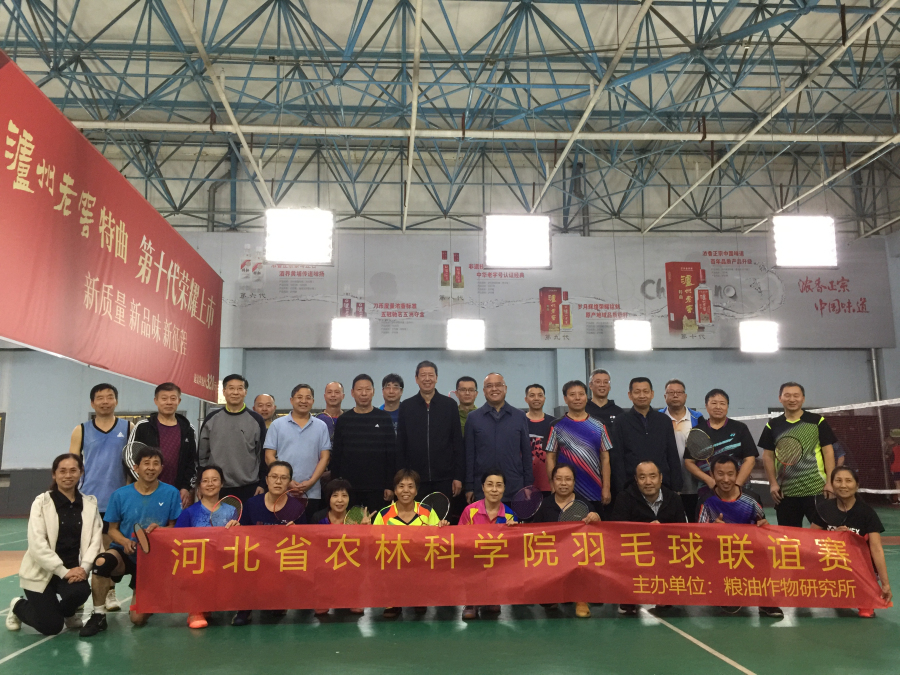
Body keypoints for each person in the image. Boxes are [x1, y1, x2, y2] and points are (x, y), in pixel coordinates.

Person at [79, 446, 182, 636]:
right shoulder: (120, 495)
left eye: (156, 464)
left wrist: (160, 531)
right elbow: (112, 529)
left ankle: (149, 598)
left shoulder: (171, 493)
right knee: (101, 563)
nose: (151, 468)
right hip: (125, 552)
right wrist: (125, 542)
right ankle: (98, 615)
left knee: (137, 620)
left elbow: (175, 527)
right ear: (136, 467)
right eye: (146, 463)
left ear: (161, 468)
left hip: (154, 559)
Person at [6, 454, 103, 636]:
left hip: (74, 571)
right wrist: (63, 571)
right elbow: (37, 544)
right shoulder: (41, 503)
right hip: (41, 571)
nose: (68, 475)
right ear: (54, 474)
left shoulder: (90, 504)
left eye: (73, 470)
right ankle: (18, 606)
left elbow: (95, 541)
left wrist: (84, 568)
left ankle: (67, 613)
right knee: (51, 627)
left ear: (81, 472)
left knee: (80, 592)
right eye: (62, 471)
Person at [68, 383, 132, 612]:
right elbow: (72, 464)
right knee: (85, 549)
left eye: (109, 397)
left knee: (109, 550)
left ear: (116, 401)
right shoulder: (81, 430)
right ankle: (78, 594)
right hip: (88, 500)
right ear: (92, 403)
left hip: (116, 500)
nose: (105, 401)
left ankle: (110, 592)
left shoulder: (129, 427)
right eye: (100, 398)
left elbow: (133, 464)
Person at [697, 456, 779, 617]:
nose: (726, 479)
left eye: (730, 474)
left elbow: (762, 523)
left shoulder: (752, 499)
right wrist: (712, 530)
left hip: (746, 550)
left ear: (737, 474)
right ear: (712, 475)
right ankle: (723, 591)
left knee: (762, 554)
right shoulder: (706, 502)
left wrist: (764, 526)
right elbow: (698, 537)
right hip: (720, 552)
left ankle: (766, 601)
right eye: (720, 474)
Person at [811, 467, 892, 617]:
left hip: (860, 568)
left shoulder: (867, 513)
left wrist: (885, 584)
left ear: (857, 485)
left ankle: (864, 594)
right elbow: (810, 540)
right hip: (831, 564)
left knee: (866, 612)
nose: (843, 485)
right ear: (832, 484)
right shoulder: (824, 509)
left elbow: (876, 549)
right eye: (838, 480)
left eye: (848, 481)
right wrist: (832, 537)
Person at [611, 460, 686, 616]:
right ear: (636, 479)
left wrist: (662, 531)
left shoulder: (674, 499)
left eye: (652, 476)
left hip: (665, 551)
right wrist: (645, 530)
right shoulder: (624, 498)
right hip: (635, 551)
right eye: (642, 477)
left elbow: (682, 532)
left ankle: (665, 591)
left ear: (660, 478)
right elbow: (617, 533)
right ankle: (628, 597)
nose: (648, 482)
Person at [758, 382, 836, 528]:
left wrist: (830, 482)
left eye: (796, 395)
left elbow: (828, 451)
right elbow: (767, 456)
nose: (792, 399)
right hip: (785, 492)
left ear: (803, 399)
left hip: (817, 489)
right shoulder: (772, 425)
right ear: (780, 398)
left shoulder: (817, 421)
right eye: (787, 395)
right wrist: (773, 484)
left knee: (822, 534)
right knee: (788, 537)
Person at [174, 465, 240, 629]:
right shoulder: (189, 513)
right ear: (199, 485)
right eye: (205, 481)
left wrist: (238, 530)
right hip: (197, 566)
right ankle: (195, 610)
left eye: (214, 480)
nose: (210, 484)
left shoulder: (232, 511)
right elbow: (176, 541)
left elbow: (240, 543)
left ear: (222, 483)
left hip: (225, 564)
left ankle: (210, 603)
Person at [232, 461, 298, 626]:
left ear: (290, 482)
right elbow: (241, 532)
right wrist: (234, 527)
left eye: (283, 478)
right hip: (255, 559)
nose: (278, 481)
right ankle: (245, 608)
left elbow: (304, 543)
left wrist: (297, 532)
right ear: (267, 480)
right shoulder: (252, 504)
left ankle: (278, 600)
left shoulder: (296, 507)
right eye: (274, 477)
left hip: (281, 561)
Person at [374, 469, 446, 619]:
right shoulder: (384, 514)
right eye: (401, 486)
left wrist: (442, 528)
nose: (405, 490)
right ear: (395, 490)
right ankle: (392, 601)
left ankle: (418, 596)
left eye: (410, 486)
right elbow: (375, 544)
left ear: (416, 491)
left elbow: (436, 541)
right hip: (393, 563)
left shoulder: (427, 512)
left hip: (420, 563)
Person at [531, 463, 599, 618]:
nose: (563, 483)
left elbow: (599, 534)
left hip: (577, 558)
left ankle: (581, 599)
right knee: (547, 603)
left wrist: (597, 518)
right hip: (552, 558)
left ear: (574, 482)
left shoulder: (584, 505)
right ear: (552, 481)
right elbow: (533, 532)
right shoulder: (544, 505)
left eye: (568, 479)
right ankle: (554, 594)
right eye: (559, 479)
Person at [396, 361, 464, 500]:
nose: (427, 379)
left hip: (445, 478)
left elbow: (457, 442)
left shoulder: (449, 405)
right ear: (416, 379)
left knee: (444, 514)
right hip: (415, 479)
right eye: (423, 375)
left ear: (436, 378)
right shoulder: (407, 407)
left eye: (431, 375)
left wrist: (458, 477)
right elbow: (401, 444)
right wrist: (402, 477)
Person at [330, 375, 396, 514]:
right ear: (352, 393)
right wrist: (336, 487)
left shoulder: (384, 418)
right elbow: (336, 456)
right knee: (350, 524)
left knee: (376, 525)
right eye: (360, 389)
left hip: (378, 488)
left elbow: (391, 455)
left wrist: (390, 485)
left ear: (373, 392)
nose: (364, 393)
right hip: (349, 489)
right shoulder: (344, 420)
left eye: (367, 389)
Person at [198, 374, 267, 503]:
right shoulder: (211, 419)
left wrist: (262, 483)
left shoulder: (256, 420)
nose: (235, 392)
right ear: (224, 391)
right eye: (231, 388)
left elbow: (262, 455)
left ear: (245, 392)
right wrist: (200, 483)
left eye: (240, 388)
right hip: (217, 487)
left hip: (249, 487)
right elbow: (202, 456)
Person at [459, 470, 518, 620]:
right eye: (490, 485)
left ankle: (493, 596)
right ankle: (471, 601)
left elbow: (513, 549)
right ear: (483, 487)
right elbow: (459, 538)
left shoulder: (510, 515)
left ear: (504, 489)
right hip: (473, 559)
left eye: (499, 485)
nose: (494, 489)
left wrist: (514, 530)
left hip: (496, 561)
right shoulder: (470, 511)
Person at [683, 389, 757, 509]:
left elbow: (750, 459)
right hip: (708, 490)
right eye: (714, 403)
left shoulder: (740, 428)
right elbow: (689, 462)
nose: (718, 407)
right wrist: (709, 480)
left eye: (722, 403)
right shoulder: (697, 431)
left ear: (727, 406)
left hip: (739, 490)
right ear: (706, 406)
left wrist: (736, 485)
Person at [264, 384, 331, 515]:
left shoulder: (321, 426)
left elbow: (325, 457)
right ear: (291, 400)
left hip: (311, 492)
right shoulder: (277, 425)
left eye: (308, 398)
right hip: (281, 490)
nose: (304, 401)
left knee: (308, 527)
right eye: (299, 397)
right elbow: (269, 456)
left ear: (313, 401)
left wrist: (311, 482)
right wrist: (287, 481)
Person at [464, 373, 532, 502]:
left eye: (498, 385)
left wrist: (528, 484)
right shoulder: (473, 418)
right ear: (484, 391)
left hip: (514, 486)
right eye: (489, 386)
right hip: (483, 488)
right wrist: (469, 486)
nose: (494, 389)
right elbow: (469, 455)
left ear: (505, 388)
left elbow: (526, 453)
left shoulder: (519, 416)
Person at [545, 380, 612, 512]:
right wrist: (553, 486)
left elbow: (605, 458)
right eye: (572, 394)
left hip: (594, 490)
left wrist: (606, 487)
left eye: (581, 394)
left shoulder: (599, 425)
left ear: (586, 397)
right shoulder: (556, 426)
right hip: (565, 492)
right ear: (565, 399)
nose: (577, 398)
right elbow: (550, 458)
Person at [610, 377, 682, 494]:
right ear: (630, 395)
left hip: (662, 485)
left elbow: (672, 454)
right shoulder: (621, 421)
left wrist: (676, 486)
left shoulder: (664, 420)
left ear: (652, 394)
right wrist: (621, 489)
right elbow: (617, 458)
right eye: (637, 392)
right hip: (631, 486)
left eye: (646, 391)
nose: (642, 395)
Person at [132, 382, 198, 509]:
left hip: (177, 493)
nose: (169, 402)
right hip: (146, 491)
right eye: (164, 398)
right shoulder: (143, 427)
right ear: (156, 401)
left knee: (174, 521)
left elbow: (192, 462)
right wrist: (144, 483)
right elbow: (131, 458)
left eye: (173, 398)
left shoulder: (188, 429)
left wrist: (186, 487)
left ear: (179, 401)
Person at [310, 478, 370, 616]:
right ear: (328, 498)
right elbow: (312, 547)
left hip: (350, 564)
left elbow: (364, 548)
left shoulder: (357, 516)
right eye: (335, 495)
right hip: (326, 565)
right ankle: (324, 596)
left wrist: (365, 530)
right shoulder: (318, 517)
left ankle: (354, 596)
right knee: (321, 610)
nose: (340, 500)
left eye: (344, 495)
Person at [659, 379, 704, 521]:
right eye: (671, 392)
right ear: (664, 396)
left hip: (693, 481)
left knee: (693, 519)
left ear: (685, 396)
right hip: (666, 481)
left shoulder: (698, 418)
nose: (675, 395)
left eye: (679, 392)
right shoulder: (657, 418)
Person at [525, 384, 556, 494]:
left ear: (544, 398)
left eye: (540, 395)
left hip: (548, 484)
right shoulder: (519, 422)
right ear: (526, 399)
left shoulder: (554, 423)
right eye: (532, 395)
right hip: (525, 485)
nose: (536, 398)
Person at [885, 431, 900, 504]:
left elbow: (886, 456)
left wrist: (886, 449)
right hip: (897, 467)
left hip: (896, 468)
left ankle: (899, 499)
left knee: (897, 484)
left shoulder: (891, 448)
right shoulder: (898, 446)